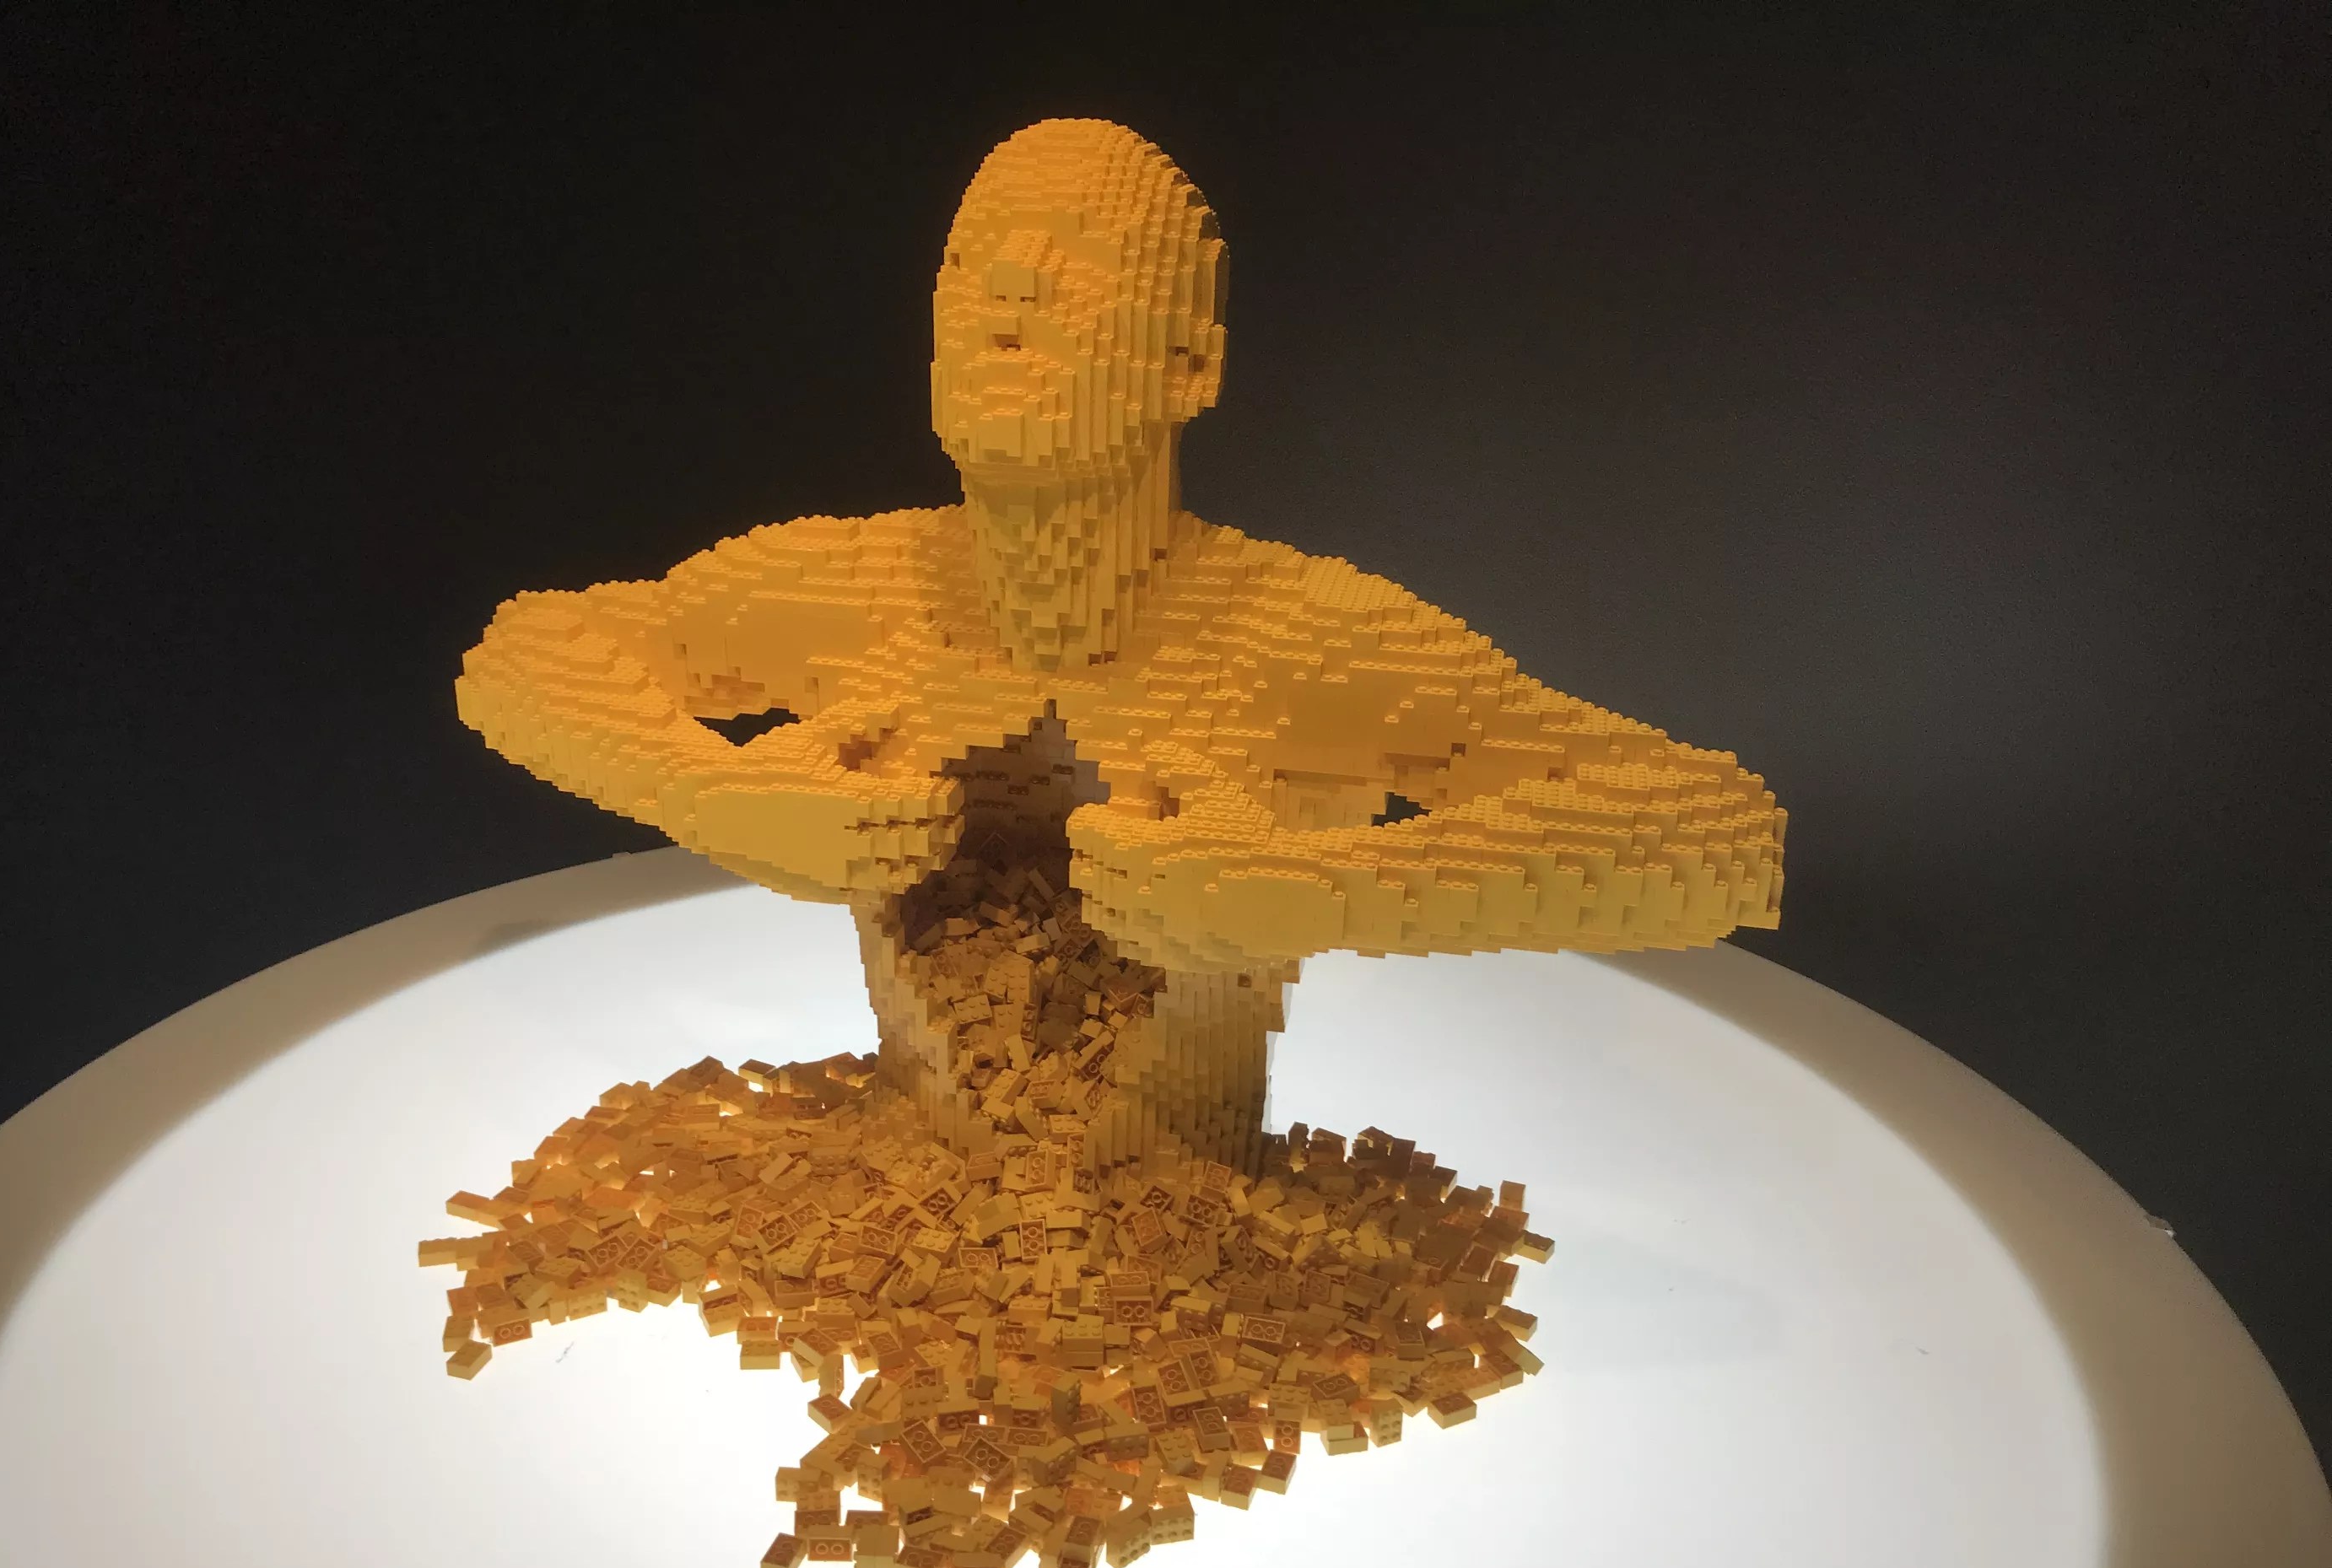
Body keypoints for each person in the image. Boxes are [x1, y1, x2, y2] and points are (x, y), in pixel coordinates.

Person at [456, 117, 1784, 1169]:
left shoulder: (1294, 642)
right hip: (909, 1220)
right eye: (971, 263)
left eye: (1076, 261)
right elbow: (529, 651)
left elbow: (1716, 831)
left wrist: (1328, 892)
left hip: (1193, 1231)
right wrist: (709, 791)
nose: (1008, 287)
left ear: (1190, 363)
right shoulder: (849, 590)